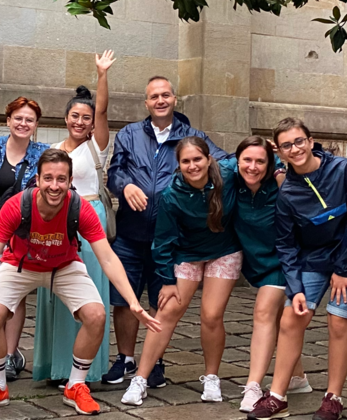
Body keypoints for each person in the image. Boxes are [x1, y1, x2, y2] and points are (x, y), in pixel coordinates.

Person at [0, 149, 162, 415]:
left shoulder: (80, 207)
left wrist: (134, 302)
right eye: (48, 178)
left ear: (70, 181)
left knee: (96, 314)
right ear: (37, 179)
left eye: (61, 179)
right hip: (20, 265)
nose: (54, 186)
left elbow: (108, 259)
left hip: (64, 266)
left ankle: (75, 385)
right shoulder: (18, 205)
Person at [248, 118, 347, 420]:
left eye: (300, 141)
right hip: (315, 258)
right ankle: (277, 397)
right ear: (279, 151)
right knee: (292, 317)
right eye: (288, 145)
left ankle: (334, 398)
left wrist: (343, 268)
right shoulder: (287, 193)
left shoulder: (343, 169)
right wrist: (296, 288)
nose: (296, 149)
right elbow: (287, 245)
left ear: (310, 140)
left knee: (338, 320)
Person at [105, 76, 227, 387]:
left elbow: (225, 161)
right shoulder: (129, 134)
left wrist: (271, 164)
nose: (160, 100)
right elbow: (114, 171)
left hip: (170, 237)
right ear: (146, 103)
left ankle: (155, 361)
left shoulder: (193, 135)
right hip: (131, 232)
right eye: (154, 96)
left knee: (161, 301)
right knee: (123, 298)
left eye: (166, 95)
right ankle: (125, 358)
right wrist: (125, 185)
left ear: (174, 99)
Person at [121, 137, 241, 405]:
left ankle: (211, 378)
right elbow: (162, 240)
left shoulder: (229, 172)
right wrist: (166, 280)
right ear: (179, 165)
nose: (192, 165)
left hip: (224, 250)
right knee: (168, 311)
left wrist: (280, 164)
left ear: (209, 159)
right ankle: (140, 379)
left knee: (211, 314)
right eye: (186, 161)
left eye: (197, 159)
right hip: (187, 253)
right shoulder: (171, 194)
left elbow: (259, 156)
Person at [33, 50, 115, 387]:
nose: (80, 122)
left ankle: (85, 369)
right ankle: (55, 364)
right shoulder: (52, 150)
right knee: (55, 291)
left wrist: (102, 74)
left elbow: (104, 109)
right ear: (65, 117)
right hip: (54, 221)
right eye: (75, 116)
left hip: (88, 218)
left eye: (86, 117)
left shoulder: (97, 144)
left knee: (88, 292)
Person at [226, 136, 311, 412]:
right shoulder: (232, 181)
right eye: (247, 160)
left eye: (260, 161)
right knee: (279, 321)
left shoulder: (281, 183)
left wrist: (280, 165)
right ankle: (297, 377)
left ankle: (253, 386)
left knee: (263, 312)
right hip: (256, 264)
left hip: (285, 263)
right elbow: (208, 160)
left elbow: (314, 166)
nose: (252, 166)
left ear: (270, 163)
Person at [0, 96, 50, 380]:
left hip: (24, 233)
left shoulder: (43, 152)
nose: (23, 123)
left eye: (29, 119)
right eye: (18, 118)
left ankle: (9, 354)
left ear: (36, 125)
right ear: (8, 121)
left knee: (16, 294)